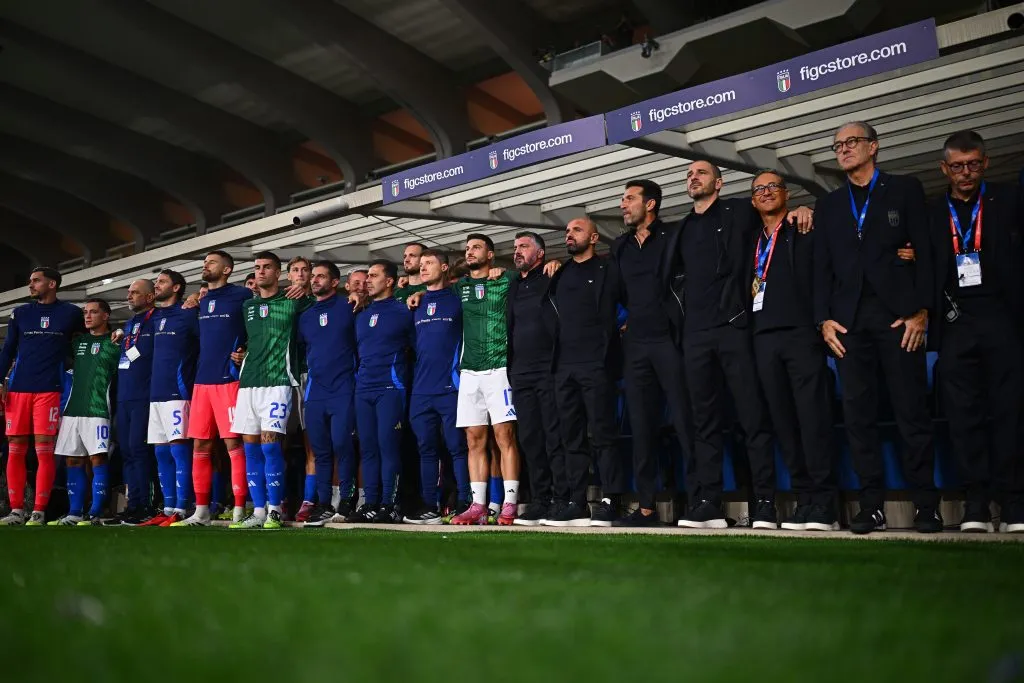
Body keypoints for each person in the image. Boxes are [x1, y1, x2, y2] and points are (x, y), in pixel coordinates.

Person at [814, 121, 941, 534]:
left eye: (852, 142)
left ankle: (926, 505)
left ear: (874, 147)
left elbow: (926, 251)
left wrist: (921, 310)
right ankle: (870, 506)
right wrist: (823, 320)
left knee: (911, 412)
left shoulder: (904, 189)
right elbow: (821, 268)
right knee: (858, 418)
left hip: (899, 318)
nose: (844, 149)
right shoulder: (829, 204)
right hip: (848, 324)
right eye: (838, 145)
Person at [673, 161, 812, 530]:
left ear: (719, 183)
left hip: (735, 329)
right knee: (704, 423)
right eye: (689, 175)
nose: (693, 178)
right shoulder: (682, 228)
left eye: (701, 173)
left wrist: (802, 209)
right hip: (695, 336)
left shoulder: (739, 211)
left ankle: (764, 503)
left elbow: (775, 216)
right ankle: (708, 502)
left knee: (752, 419)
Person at [929, 130, 1024, 533]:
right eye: (957, 166)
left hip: (1003, 318)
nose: (965, 173)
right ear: (944, 169)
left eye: (972, 164)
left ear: (985, 163)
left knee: (1010, 412)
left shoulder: (1010, 200)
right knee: (962, 416)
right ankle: (976, 502)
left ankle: (1014, 500)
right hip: (955, 320)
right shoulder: (932, 211)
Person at [747, 170, 838, 531]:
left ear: (786, 194)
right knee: (784, 422)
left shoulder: (803, 227)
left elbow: (824, 276)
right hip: (763, 338)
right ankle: (804, 500)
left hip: (801, 335)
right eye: (759, 189)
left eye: (773, 186)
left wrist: (821, 320)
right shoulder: (751, 239)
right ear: (752, 201)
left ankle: (825, 504)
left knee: (813, 419)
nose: (766, 192)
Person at [612, 180, 693, 526]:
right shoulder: (620, 246)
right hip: (636, 346)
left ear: (650, 204)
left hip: (671, 341)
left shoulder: (673, 235)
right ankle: (646, 507)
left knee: (686, 422)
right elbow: (617, 292)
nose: (622, 204)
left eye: (629, 198)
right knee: (642, 428)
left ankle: (700, 503)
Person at [540, 218, 626, 527]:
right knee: (571, 437)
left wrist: (621, 328)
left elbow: (629, 303)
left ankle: (610, 499)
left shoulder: (608, 269)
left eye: (576, 230)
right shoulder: (560, 272)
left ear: (593, 237)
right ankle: (576, 502)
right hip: (563, 367)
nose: (569, 234)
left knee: (603, 434)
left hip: (596, 364)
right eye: (567, 231)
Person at [230, 251, 311, 530]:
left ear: (278, 273)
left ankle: (275, 510)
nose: (261, 272)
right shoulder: (248, 306)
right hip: (248, 383)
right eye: (257, 267)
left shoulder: (293, 301)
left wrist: (306, 291)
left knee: (270, 445)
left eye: (267, 267)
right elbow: (249, 340)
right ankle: (258, 510)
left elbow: (321, 303)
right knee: (250, 449)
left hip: (278, 382)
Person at [0, 267, 85, 526]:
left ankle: (38, 511)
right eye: (31, 281)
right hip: (19, 388)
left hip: (50, 389)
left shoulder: (71, 313)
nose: (31, 285)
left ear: (52, 284)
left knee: (44, 450)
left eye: (36, 281)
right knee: (15, 448)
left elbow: (81, 344)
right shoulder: (20, 313)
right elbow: (8, 349)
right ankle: (16, 510)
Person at [445, 235, 520, 526]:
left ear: (490, 254)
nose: (469, 251)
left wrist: (553, 263)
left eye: (476, 247)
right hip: (469, 373)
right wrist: (413, 292)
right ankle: (478, 505)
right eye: (467, 248)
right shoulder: (460, 286)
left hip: (499, 369)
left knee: (504, 437)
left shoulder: (506, 279)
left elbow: (532, 273)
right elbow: (437, 283)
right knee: (474, 439)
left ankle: (510, 502)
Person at [176, 250, 252, 526]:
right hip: (202, 382)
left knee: (234, 444)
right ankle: (201, 511)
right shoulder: (202, 299)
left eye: (211, 262)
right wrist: (193, 299)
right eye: (204, 262)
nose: (205, 265)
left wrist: (246, 351)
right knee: (200, 444)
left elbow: (255, 328)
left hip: (228, 380)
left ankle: (240, 508)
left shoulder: (242, 296)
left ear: (227, 269)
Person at [405, 249, 469, 524]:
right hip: (421, 390)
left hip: (450, 387)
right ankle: (430, 504)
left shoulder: (457, 299)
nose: (422, 267)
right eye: (421, 264)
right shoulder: (415, 304)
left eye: (429, 263)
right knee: (426, 450)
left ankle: (465, 502)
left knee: (457, 447)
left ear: (444, 268)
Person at [507, 232, 567, 526]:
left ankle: (562, 500)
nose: (517, 251)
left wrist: (559, 265)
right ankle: (540, 500)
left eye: (524, 246)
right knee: (530, 439)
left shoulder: (552, 277)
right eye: (515, 247)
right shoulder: (513, 285)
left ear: (540, 254)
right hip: (520, 373)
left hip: (549, 369)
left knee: (554, 437)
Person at [349, 260, 414, 523]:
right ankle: (370, 503)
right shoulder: (361, 314)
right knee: (368, 449)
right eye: (367, 275)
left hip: (390, 387)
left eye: (374, 276)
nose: (368, 280)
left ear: (389, 281)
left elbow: (417, 347)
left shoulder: (403, 311)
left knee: (388, 447)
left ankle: (390, 504)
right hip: (363, 388)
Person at [297, 261, 358, 527]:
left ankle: (346, 500)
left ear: (335, 282)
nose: (314, 280)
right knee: (320, 450)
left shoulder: (349, 307)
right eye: (314, 276)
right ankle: (323, 503)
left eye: (321, 276)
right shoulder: (306, 316)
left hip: (343, 388)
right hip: (316, 391)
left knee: (342, 445)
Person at [49, 299, 120, 525]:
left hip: (98, 408)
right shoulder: (78, 342)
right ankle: (74, 512)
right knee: (72, 460)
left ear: (106, 316)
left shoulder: (115, 343)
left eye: (93, 312)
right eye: (85, 312)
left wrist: (122, 332)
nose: (88, 316)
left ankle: (95, 512)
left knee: (97, 458)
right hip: (72, 410)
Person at [140, 269, 199, 527]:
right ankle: (167, 507)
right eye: (156, 282)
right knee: (161, 452)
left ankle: (183, 508)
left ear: (176, 288)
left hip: (179, 392)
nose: (156, 285)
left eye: (162, 282)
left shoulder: (188, 314)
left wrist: (197, 298)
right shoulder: (154, 317)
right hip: (156, 394)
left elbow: (204, 345)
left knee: (178, 449)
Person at [103, 279, 157, 526]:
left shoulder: (157, 319)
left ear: (149, 297)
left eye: (135, 292)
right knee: (126, 452)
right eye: (129, 292)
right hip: (124, 396)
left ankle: (146, 505)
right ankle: (132, 505)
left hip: (144, 395)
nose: (129, 296)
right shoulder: (130, 323)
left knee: (139, 450)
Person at [286, 256, 320, 522]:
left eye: (304, 270)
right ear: (288, 276)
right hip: (281, 377)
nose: (300, 274)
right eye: (295, 270)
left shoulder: (317, 303)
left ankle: (308, 500)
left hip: (309, 375)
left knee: (312, 444)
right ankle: (279, 499)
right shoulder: (279, 303)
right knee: (276, 443)